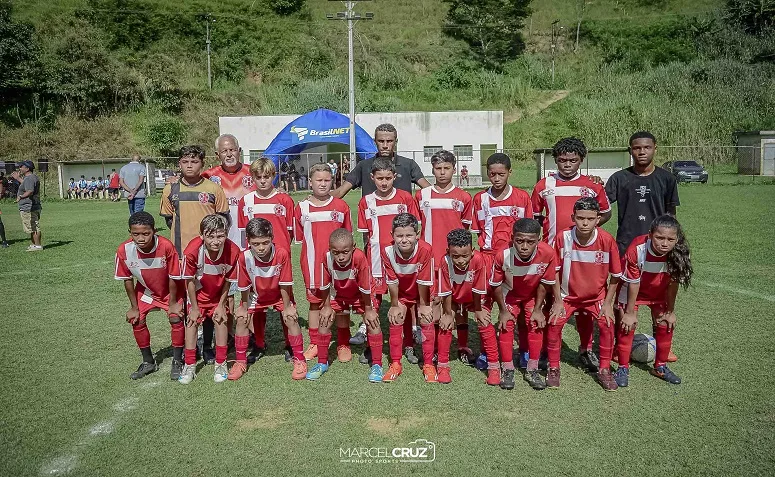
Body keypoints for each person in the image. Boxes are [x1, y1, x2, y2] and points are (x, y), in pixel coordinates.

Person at [547, 197, 622, 391]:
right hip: (567, 296)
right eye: (580, 218)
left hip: (596, 297)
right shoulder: (563, 238)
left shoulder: (607, 240)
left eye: (590, 218)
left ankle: (604, 369)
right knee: (554, 324)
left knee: (606, 324)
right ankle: (553, 367)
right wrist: (557, 300)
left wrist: (607, 303)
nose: (585, 223)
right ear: (573, 217)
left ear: (598, 219)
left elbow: (615, 276)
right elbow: (554, 270)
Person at [356, 158, 421, 364]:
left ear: (395, 177)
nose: (384, 182)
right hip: (375, 260)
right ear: (372, 178)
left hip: (402, 260)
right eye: (379, 178)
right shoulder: (366, 201)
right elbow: (366, 235)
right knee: (373, 302)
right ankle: (371, 345)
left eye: (387, 178)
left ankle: (408, 344)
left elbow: (413, 230)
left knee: (405, 300)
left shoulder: (405, 198)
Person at [614, 215, 692, 387]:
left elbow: (673, 284)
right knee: (628, 325)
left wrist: (670, 312)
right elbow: (633, 283)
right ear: (650, 235)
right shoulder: (638, 248)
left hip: (658, 292)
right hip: (632, 289)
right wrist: (629, 313)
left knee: (666, 323)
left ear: (677, 239)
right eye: (659, 237)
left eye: (670, 239)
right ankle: (622, 367)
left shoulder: (678, 253)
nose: (664, 243)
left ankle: (660, 367)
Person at [414, 150, 474, 361]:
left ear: (453, 169)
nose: (442, 172)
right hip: (430, 260)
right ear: (432, 170)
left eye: (446, 168)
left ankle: (463, 346)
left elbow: (465, 230)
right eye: (438, 168)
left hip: (454, 261)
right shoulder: (422, 195)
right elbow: (417, 228)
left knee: (457, 303)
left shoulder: (464, 197)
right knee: (434, 301)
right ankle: (437, 346)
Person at [233, 218, 308, 381]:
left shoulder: (281, 253)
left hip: (279, 294)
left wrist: (287, 306)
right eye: (256, 243)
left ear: (272, 238)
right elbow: (245, 286)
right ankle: (240, 361)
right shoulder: (243, 257)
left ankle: (300, 359)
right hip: (256, 295)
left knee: (291, 318)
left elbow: (285, 283)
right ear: (248, 241)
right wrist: (244, 308)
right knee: (241, 319)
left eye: (265, 243)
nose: (261, 248)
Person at [114, 211, 184, 380]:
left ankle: (177, 360)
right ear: (129, 233)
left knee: (176, 317)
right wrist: (133, 307)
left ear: (154, 231)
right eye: (135, 234)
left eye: (146, 233)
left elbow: (174, 276)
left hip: (170, 291)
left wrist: (173, 302)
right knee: (136, 319)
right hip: (146, 292)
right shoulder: (124, 250)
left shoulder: (166, 246)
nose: (141, 238)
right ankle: (148, 362)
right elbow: (127, 280)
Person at [294, 163, 352, 361]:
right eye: (319, 180)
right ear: (310, 182)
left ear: (333, 181)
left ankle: (343, 343)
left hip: (339, 264)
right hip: (311, 264)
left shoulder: (341, 206)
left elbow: (347, 235)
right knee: (315, 304)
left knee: (341, 304)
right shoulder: (301, 207)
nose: (323, 184)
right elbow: (300, 238)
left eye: (327, 180)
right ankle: (315, 342)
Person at [490, 219, 557, 390]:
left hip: (532, 295)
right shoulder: (502, 255)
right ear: (512, 238)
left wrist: (537, 309)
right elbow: (496, 285)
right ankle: (507, 368)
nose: (525, 246)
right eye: (520, 241)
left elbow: (545, 282)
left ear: (539, 240)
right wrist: (503, 311)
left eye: (530, 242)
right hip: (510, 293)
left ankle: (532, 369)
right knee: (507, 324)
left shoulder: (548, 253)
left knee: (536, 323)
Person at [178, 214, 241, 385]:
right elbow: (189, 280)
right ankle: (189, 365)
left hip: (218, 295)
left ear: (227, 234)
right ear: (202, 235)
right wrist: (195, 308)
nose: (216, 241)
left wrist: (221, 305)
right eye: (210, 236)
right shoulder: (192, 251)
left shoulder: (233, 251)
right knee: (191, 323)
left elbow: (228, 281)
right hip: (197, 295)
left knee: (221, 320)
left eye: (220, 236)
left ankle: (220, 363)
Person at [318, 228, 384, 382]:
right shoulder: (326, 258)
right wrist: (327, 306)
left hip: (361, 295)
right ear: (330, 249)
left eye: (345, 252)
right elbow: (324, 284)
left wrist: (368, 309)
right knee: (324, 320)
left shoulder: (360, 257)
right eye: (336, 252)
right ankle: (321, 362)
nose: (340, 257)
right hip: (339, 293)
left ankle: (377, 364)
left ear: (353, 247)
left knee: (372, 321)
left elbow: (366, 287)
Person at [605, 131, 680, 255]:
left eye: (647, 147)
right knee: (625, 275)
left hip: (658, 243)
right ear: (630, 151)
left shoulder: (667, 179)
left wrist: (674, 240)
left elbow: (671, 215)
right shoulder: (619, 178)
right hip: (626, 243)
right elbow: (601, 206)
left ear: (655, 149)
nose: (642, 152)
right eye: (637, 148)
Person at [435, 229, 494, 384]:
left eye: (465, 255)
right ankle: (443, 365)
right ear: (448, 252)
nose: (460, 260)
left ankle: (494, 368)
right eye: (455, 256)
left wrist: (479, 310)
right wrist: (448, 313)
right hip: (454, 297)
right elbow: (446, 290)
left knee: (484, 321)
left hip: (475, 296)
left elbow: (479, 288)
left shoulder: (479, 260)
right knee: (446, 323)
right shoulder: (445, 261)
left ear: (472, 251)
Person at [381, 213, 434, 383]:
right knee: (395, 318)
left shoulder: (425, 249)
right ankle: (396, 363)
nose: (404, 240)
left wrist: (424, 305)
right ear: (392, 235)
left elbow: (424, 281)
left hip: (423, 293)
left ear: (417, 235)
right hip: (403, 293)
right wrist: (395, 304)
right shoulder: (387, 251)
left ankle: (428, 364)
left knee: (426, 318)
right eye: (399, 235)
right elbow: (392, 281)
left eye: (409, 235)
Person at [532, 137, 612, 247]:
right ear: (555, 160)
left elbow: (606, 213)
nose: (568, 164)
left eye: (573, 160)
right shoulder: (543, 185)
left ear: (581, 160)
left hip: (583, 246)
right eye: (562, 160)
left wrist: (587, 227)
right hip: (552, 245)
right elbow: (535, 216)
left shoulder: (593, 184)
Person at [160, 145, 230, 257]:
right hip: (181, 251)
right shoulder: (170, 190)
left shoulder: (214, 189)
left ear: (202, 164)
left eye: (194, 161)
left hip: (208, 249)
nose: (189, 165)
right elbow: (169, 220)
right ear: (179, 164)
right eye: (185, 161)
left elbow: (223, 218)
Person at [333, 123, 431, 199]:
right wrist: (319, 199)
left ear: (395, 142)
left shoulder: (408, 164)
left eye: (389, 141)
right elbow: (340, 192)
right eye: (381, 141)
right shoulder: (364, 166)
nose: (385, 145)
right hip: (374, 221)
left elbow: (428, 189)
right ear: (375, 142)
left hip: (401, 223)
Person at [202, 134, 256, 247]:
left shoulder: (254, 172)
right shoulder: (208, 176)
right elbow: (191, 184)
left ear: (239, 151)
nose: (229, 154)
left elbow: (269, 192)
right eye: (224, 151)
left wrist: (279, 190)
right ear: (217, 155)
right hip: (219, 234)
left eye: (232, 150)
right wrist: (177, 180)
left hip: (248, 232)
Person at [12, 161, 43, 251]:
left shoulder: (29, 178)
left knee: (34, 226)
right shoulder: (30, 178)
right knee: (31, 226)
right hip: (31, 206)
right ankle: (34, 245)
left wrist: (21, 196)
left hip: (30, 206)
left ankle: (37, 246)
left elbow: (29, 191)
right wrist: (18, 178)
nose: (20, 168)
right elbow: (26, 185)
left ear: (27, 168)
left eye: (22, 166)